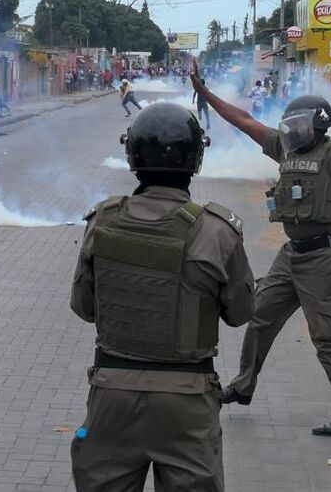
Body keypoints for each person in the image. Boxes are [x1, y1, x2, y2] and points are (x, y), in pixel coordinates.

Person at [191, 59, 331, 437]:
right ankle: (244, 386)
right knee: (259, 316)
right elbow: (243, 121)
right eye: (290, 126)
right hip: (294, 253)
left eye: (300, 126)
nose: (293, 132)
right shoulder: (284, 149)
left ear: (320, 125)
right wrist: (206, 93)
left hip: (327, 256)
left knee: (328, 340)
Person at [70, 102, 254, 491]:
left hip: (111, 394)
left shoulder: (102, 221)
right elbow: (240, 313)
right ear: (195, 159)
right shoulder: (219, 230)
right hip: (187, 401)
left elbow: (84, 308)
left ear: (132, 155)